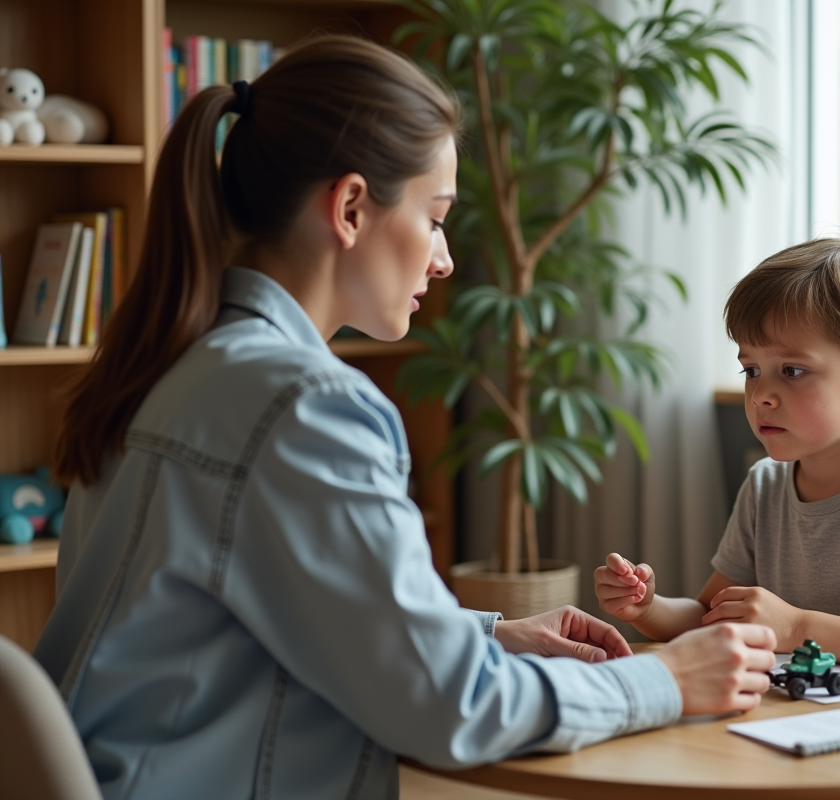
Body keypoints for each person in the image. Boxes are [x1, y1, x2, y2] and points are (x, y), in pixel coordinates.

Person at [33, 35, 778, 800]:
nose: (445, 258)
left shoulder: (172, 365)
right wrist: (666, 677)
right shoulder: (303, 405)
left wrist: (484, 637)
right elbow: (451, 709)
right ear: (351, 207)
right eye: (435, 217)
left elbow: (250, 613)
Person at [594, 238, 840, 673]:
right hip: (820, 713)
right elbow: (711, 617)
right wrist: (649, 608)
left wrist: (796, 626)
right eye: (751, 370)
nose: (760, 394)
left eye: (793, 371)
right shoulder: (765, 485)